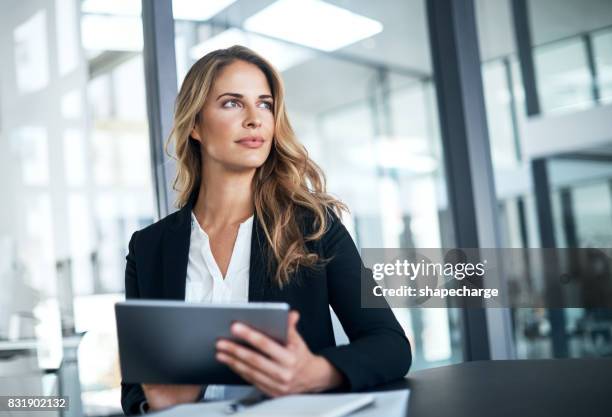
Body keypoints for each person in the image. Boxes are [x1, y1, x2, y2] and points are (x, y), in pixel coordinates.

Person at [120, 45, 411, 415]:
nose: (255, 119)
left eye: (265, 104)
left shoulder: (313, 225)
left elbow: (391, 344)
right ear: (194, 125)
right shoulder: (149, 248)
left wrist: (316, 372)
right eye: (231, 103)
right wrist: (156, 404)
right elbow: (134, 390)